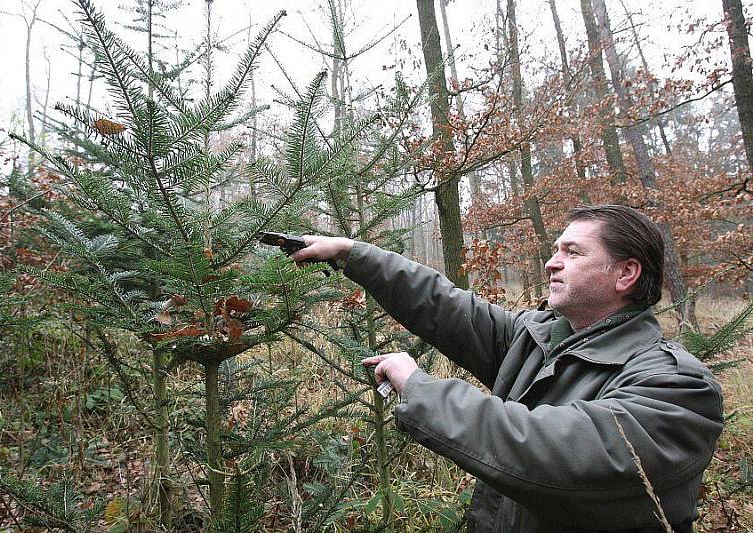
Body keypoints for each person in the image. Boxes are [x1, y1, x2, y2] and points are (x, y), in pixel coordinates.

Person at [291, 205, 723, 532]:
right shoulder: (537, 338)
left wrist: (420, 389)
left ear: (626, 273)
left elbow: (552, 450)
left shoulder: (677, 387)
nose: (551, 263)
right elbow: (445, 305)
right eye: (555, 250)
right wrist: (352, 253)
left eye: (571, 252)